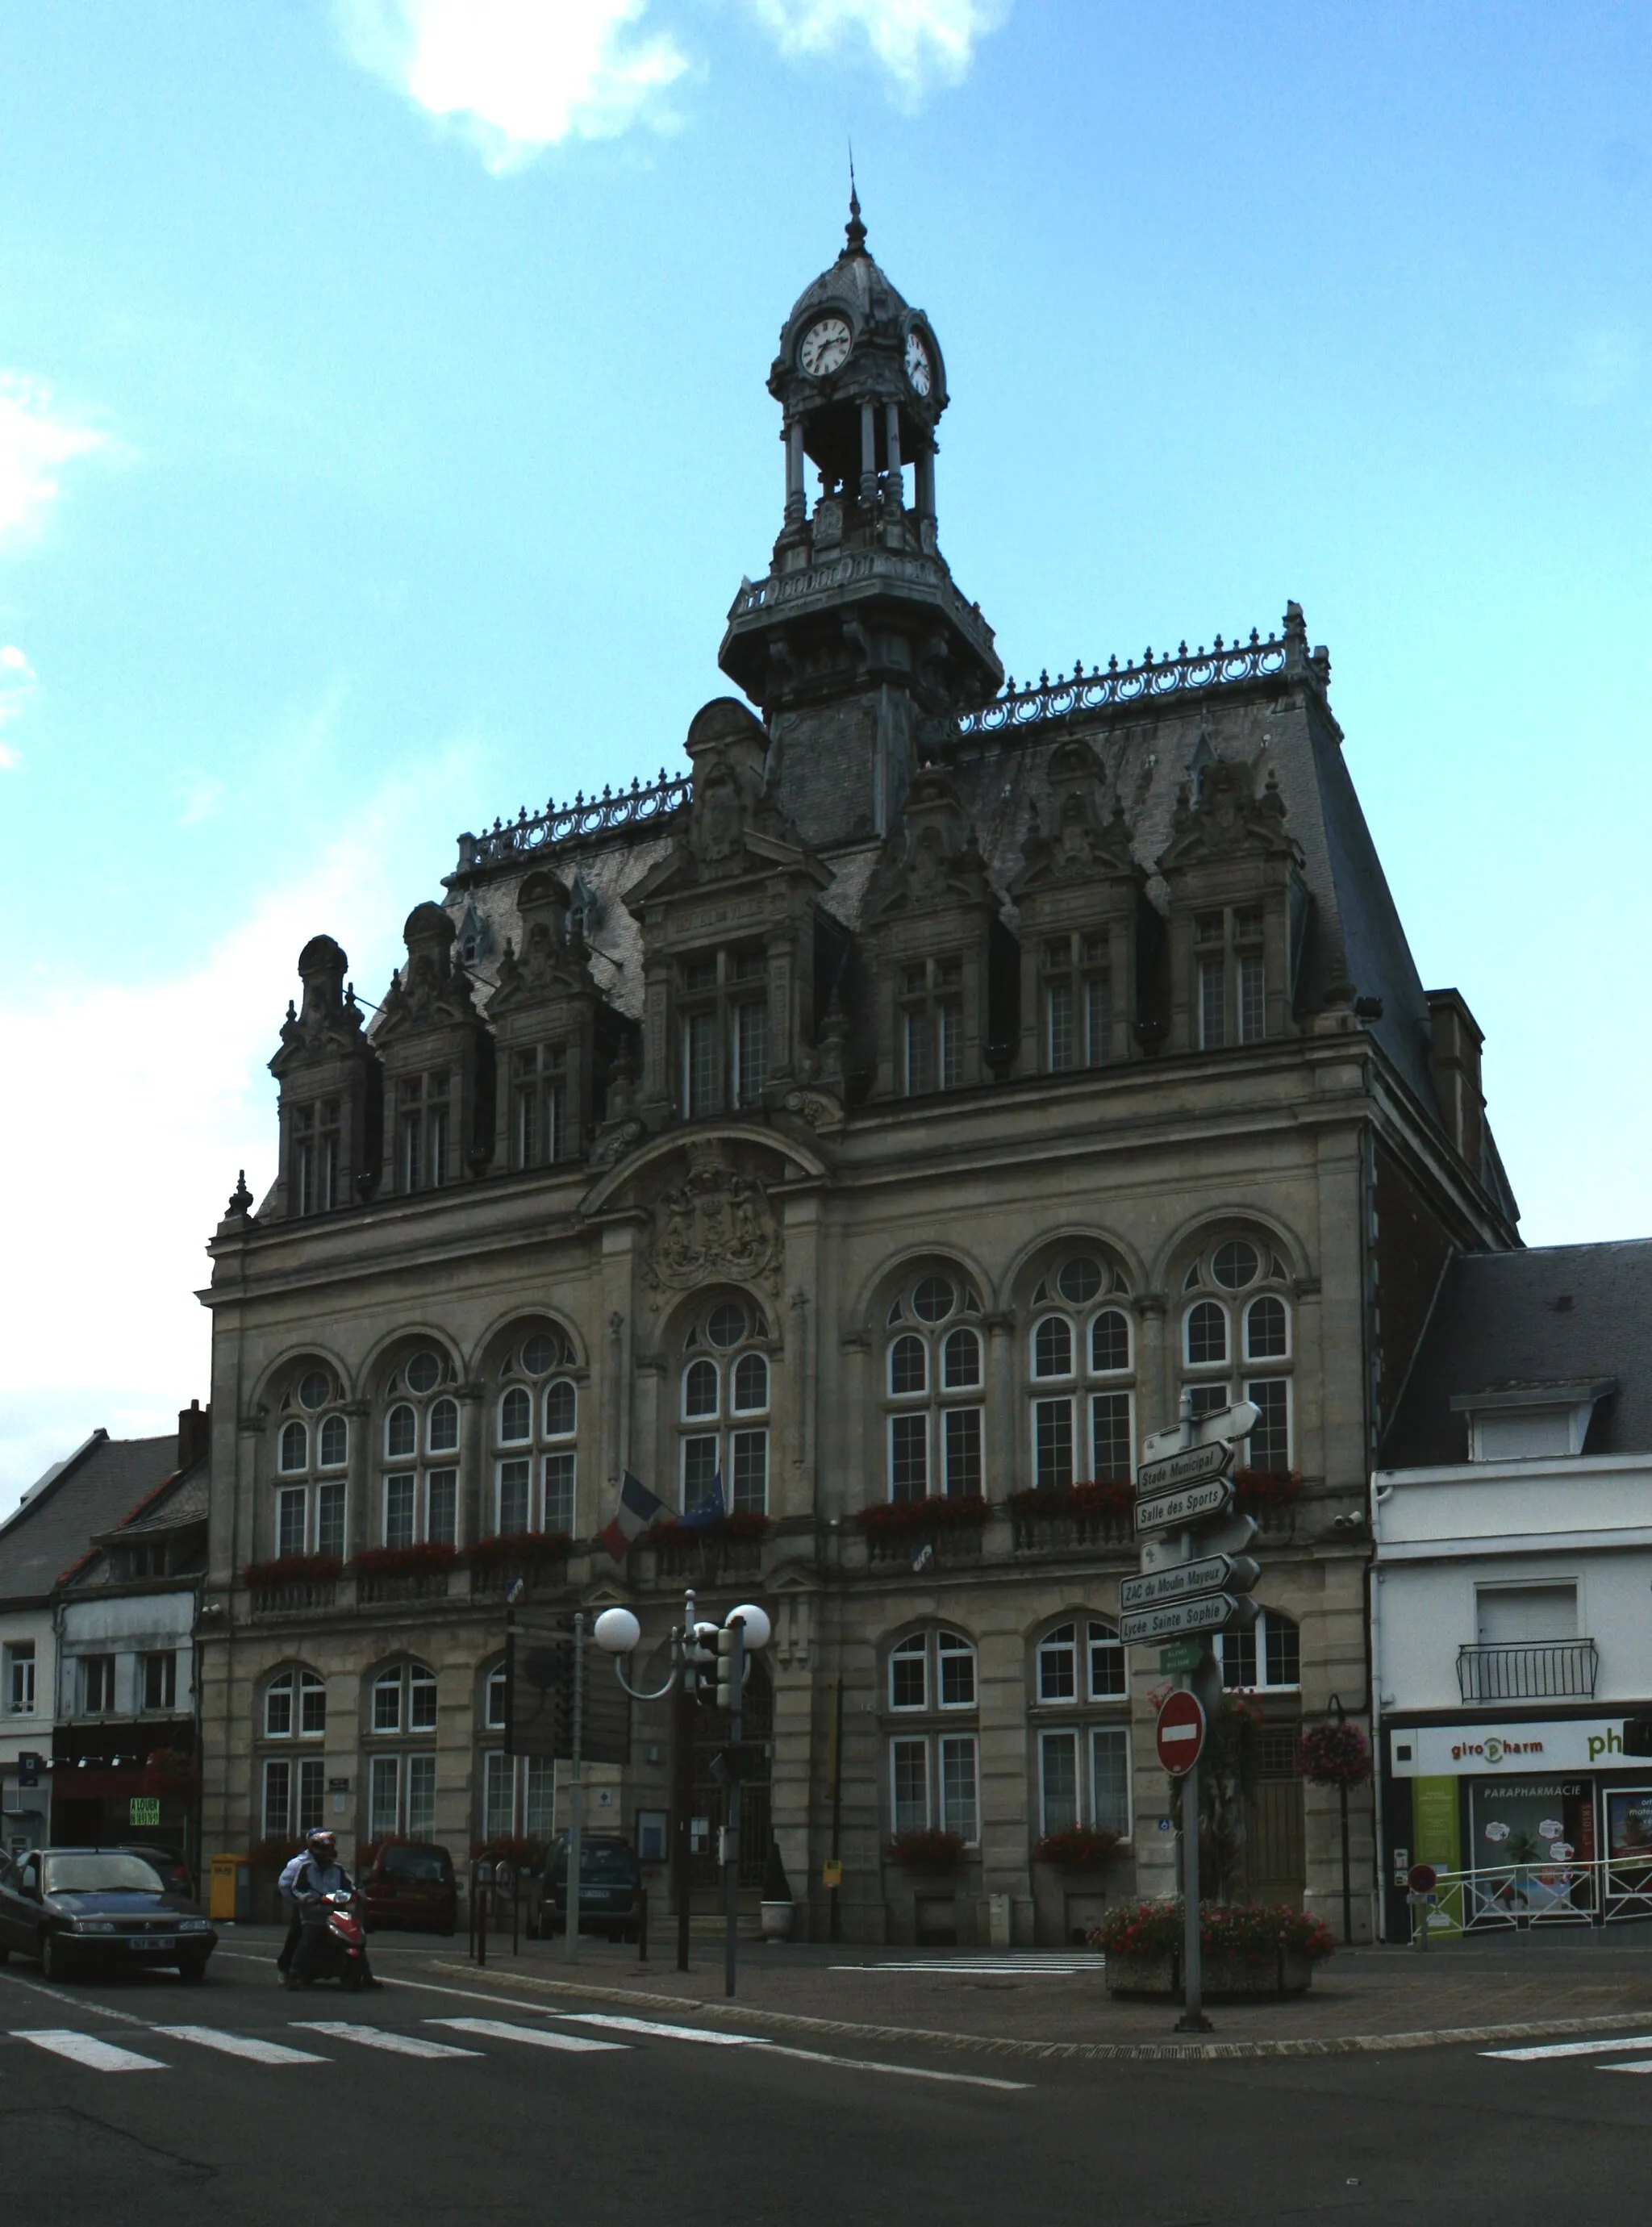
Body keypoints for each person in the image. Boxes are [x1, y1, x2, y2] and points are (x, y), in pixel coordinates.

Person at [284, 1829, 381, 1990]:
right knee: (309, 1937)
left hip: (337, 1912)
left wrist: (360, 1895)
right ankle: (294, 1974)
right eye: (324, 1848)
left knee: (356, 1936)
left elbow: (350, 1886)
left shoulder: (338, 1869)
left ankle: (366, 1975)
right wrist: (307, 1898)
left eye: (330, 1848)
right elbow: (297, 1888)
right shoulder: (306, 1868)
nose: (328, 1852)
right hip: (314, 1914)